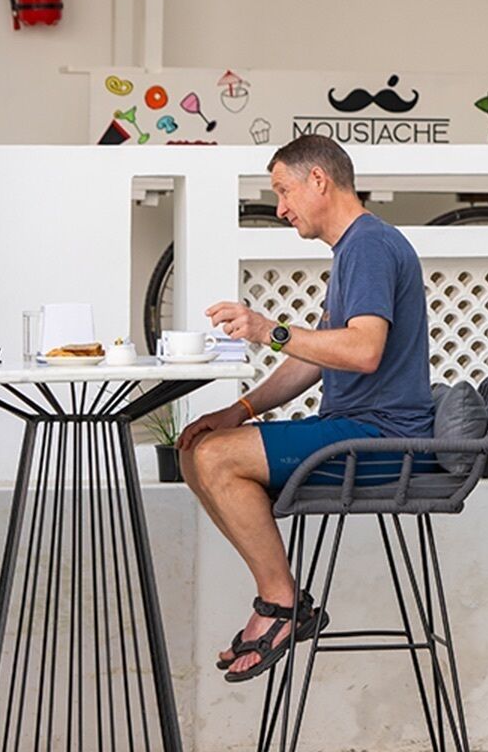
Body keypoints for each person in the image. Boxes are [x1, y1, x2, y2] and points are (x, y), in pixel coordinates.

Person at [178, 134, 434, 683]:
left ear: (318, 180)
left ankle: (281, 603)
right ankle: (282, 596)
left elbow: (362, 350)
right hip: (354, 429)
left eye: (283, 190)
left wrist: (268, 329)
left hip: (381, 438)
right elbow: (317, 356)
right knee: (200, 447)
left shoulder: (367, 245)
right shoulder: (354, 249)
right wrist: (238, 411)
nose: (281, 207)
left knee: (217, 460)